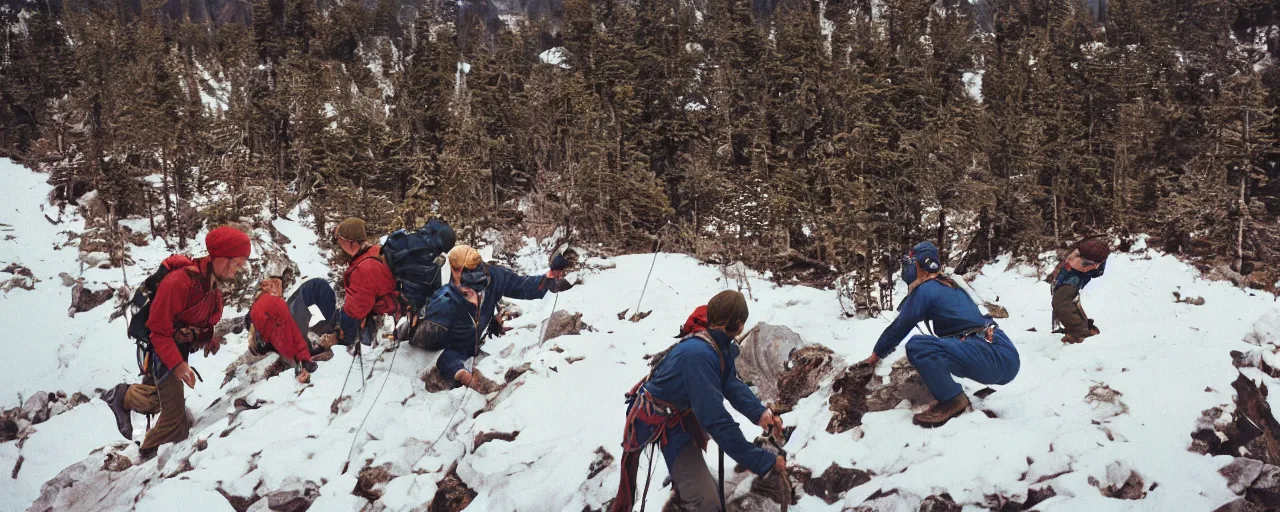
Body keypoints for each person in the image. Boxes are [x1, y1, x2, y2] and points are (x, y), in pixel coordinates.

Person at [611, 292, 786, 512]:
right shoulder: (699, 356)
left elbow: (729, 382)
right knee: (707, 504)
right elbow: (716, 421)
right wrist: (764, 462)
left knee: (708, 493)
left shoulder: (718, 344)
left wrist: (760, 414)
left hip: (679, 415)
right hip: (665, 424)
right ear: (740, 324)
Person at [102, 226, 250, 459]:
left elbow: (200, 319)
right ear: (221, 258)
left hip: (177, 350)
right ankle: (138, 458)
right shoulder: (179, 283)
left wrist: (208, 339)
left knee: (159, 398)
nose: (239, 269)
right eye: (237, 263)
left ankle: (123, 396)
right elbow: (158, 330)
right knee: (175, 423)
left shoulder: (211, 287)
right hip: (163, 351)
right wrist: (178, 366)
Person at [862, 241, 1020, 428]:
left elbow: (900, 326)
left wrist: (875, 356)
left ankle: (953, 399)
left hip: (990, 353)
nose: (908, 266)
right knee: (941, 347)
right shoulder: (950, 285)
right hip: (1003, 351)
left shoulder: (927, 289)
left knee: (919, 346)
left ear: (923, 264)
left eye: (912, 261)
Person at [408, 245, 571, 389]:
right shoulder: (444, 302)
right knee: (446, 360)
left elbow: (522, 286)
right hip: (454, 349)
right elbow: (429, 344)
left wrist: (549, 277)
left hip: (476, 345)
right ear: (455, 271)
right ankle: (465, 377)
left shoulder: (494, 276)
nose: (477, 294)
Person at [333, 218, 398, 346]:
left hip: (380, 320)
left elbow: (356, 310)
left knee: (344, 319)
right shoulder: (375, 250)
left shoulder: (364, 269)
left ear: (350, 242)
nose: (339, 245)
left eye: (339, 240)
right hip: (391, 306)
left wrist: (341, 332)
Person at [244, 277, 322, 383]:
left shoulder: (274, 305)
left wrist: (304, 360)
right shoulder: (273, 304)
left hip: (274, 344)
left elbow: (294, 335)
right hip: (271, 342)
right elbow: (293, 335)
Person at [1050, 238, 1109, 344]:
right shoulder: (1080, 251)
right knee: (1067, 300)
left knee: (1061, 302)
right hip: (1069, 273)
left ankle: (1080, 333)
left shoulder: (1092, 262)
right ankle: (1084, 328)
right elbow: (1067, 261)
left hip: (1075, 276)